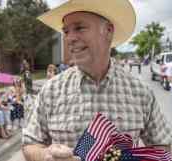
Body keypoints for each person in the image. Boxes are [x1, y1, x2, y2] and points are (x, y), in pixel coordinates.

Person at [22, 0, 172, 161]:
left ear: (108, 31)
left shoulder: (141, 92)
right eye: (65, 32)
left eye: (79, 28)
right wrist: (46, 155)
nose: (69, 38)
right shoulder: (51, 90)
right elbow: (30, 144)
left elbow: (163, 146)